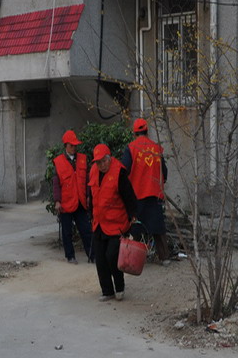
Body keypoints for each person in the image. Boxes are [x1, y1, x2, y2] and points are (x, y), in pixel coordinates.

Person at [88, 144, 137, 302]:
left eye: (104, 161)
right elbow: (91, 195)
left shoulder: (119, 172)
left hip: (117, 223)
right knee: (100, 258)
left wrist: (132, 216)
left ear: (110, 158)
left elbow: (129, 196)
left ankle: (119, 287)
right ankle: (107, 291)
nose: (101, 165)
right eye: (98, 162)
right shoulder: (93, 171)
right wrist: (90, 213)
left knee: (112, 255)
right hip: (99, 222)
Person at [121, 117, 170, 264]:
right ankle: (164, 258)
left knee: (135, 227)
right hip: (155, 194)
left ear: (134, 133)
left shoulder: (131, 148)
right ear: (147, 132)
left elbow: (123, 171)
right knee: (158, 228)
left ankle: (132, 259)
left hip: (137, 194)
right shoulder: (156, 148)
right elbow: (164, 172)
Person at [52, 130, 93, 263]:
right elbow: (56, 183)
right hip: (66, 202)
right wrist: (57, 201)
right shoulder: (58, 162)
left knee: (86, 230)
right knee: (67, 232)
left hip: (80, 201)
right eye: (71, 145)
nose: (74, 148)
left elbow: (87, 180)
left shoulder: (83, 159)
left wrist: (88, 196)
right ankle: (70, 256)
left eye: (75, 145)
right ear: (66, 146)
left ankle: (92, 255)